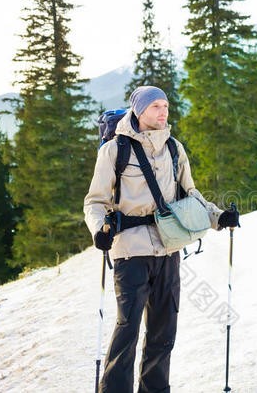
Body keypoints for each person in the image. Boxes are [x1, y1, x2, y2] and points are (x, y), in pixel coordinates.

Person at [84, 86, 240, 393]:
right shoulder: (115, 150)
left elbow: (190, 195)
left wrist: (218, 217)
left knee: (163, 332)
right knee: (127, 330)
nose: (163, 111)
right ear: (140, 111)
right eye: (156, 106)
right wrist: (99, 230)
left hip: (168, 251)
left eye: (166, 105)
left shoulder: (174, 148)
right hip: (130, 251)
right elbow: (95, 202)